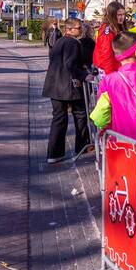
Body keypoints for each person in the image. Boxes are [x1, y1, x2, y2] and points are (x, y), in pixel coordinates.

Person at [41, 18, 92, 164]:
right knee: (80, 114)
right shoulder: (73, 43)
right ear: (69, 30)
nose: (81, 30)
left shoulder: (59, 42)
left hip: (54, 85)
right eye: (78, 28)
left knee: (58, 118)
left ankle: (54, 154)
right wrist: (84, 75)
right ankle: (82, 145)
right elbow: (71, 64)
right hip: (68, 86)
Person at [93, 2, 127, 74]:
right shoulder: (108, 31)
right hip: (108, 69)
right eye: (119, 15)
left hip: (116, 67)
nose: (122, 17)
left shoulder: (117, 27)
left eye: (123, 14)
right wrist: (110, 73)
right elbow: (106, 53)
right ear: (112, 15)